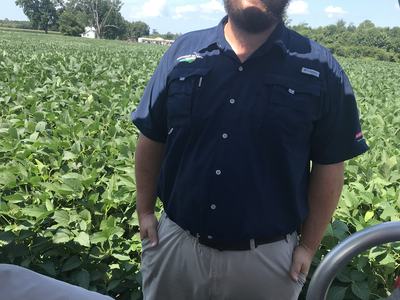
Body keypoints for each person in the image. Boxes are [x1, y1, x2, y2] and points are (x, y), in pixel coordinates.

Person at [131, 0, 369, 299]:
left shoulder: (321, 68)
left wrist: (308, 246)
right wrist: (145, 211)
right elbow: (152, 136)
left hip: (267, 263)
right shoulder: (183, 51)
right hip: (176, 247)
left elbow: (330, 164)